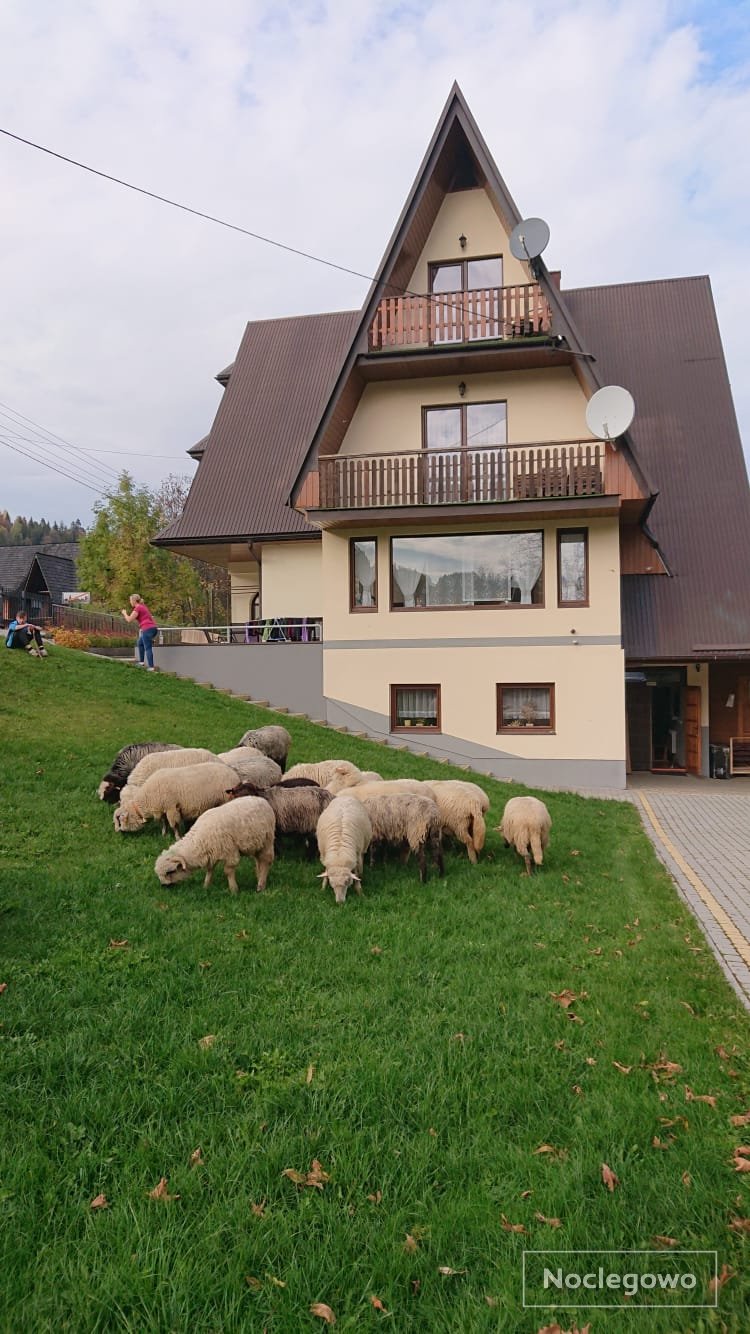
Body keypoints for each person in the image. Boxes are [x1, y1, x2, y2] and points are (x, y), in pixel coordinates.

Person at [121, 594, 159, 670]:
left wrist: (124, 613)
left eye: (130, 600)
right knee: (140, 643)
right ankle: (141, 662)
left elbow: (129, 620)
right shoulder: (143, 607)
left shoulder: (138, 608)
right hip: (153, 628)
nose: (130, 602)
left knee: (148, 648)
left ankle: (151, 667)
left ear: (134, 601)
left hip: (147, 629)